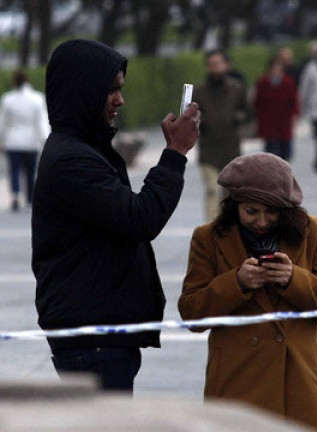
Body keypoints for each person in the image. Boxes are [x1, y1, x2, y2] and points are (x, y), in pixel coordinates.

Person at [32, 39, 201, 392]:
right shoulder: (71, 160)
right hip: (92, 338)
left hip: (101, 334)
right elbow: (140, 219)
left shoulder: (84, 149)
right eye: (110, 90)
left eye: (120, 89)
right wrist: (175, 153)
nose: (119, 100)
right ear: (82, 92)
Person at [179, 153, 317, 431]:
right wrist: (237, 282)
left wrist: (293, 279)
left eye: (272, 211)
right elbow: (192, 313)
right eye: (251, 211)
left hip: (297, 384)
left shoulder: (312, 231)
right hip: (236, 382)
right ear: (234, 207)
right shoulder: (207, 238)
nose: (262, 220)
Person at [193, 49, 250, 221]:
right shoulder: (199, 90)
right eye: (211, 64)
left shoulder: (236, 88)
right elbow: (189, 113)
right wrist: (200, 121)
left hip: (230, 147)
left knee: (229, 192)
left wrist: (237, 118)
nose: (215, 68)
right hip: (208, 147)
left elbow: (247, 112)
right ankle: (211, 227)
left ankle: (226, 225)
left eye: (218, 64)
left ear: (226, 65)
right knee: (211, 190)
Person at [0, 70, 49, 212]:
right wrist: (44, 138)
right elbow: (41, 122)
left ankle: (15, 195)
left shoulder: (8, 99)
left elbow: (3, 122)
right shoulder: (37, 99)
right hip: (31, 141)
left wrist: (1, 139)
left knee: (14, 170)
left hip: (13, 141)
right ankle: (29, 198)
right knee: (30, 170)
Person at [253, 57, 299, 161]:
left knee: (285, 151)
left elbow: (294, 100)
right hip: (268, 121)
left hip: (284, 121)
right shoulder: (262, 83)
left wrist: (295, 115)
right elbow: (257, 102)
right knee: (270, 150)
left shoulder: (288, 82)